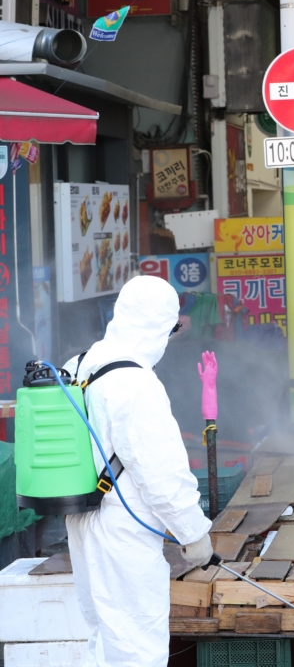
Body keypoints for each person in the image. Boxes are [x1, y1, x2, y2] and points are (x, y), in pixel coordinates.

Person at [64, 276, 214, 666]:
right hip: (122, 529)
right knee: (135, 644)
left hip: (82, 517)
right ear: (158, 326)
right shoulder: (136, 383)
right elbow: (161, 473)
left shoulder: (77, 365)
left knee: (103, 634)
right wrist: (193, 533)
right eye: (173, 328)